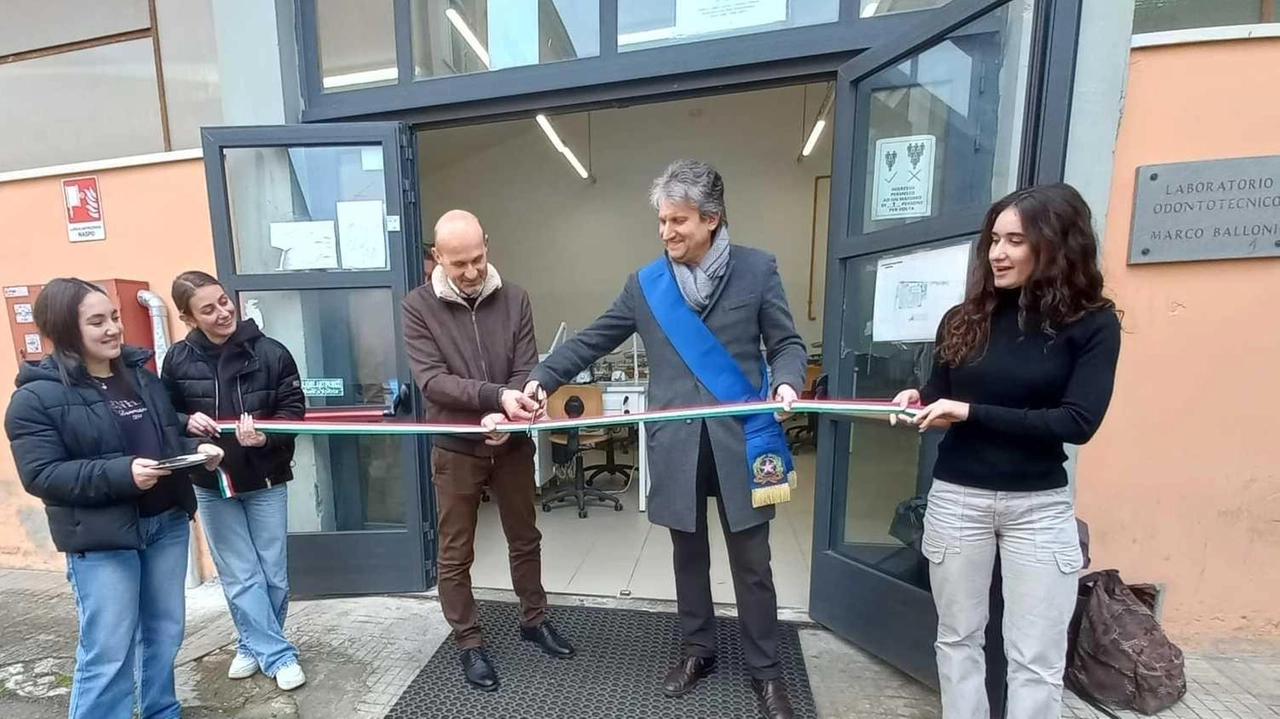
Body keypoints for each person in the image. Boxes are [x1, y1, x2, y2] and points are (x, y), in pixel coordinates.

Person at [515, 159, 807, 719]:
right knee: (686, 557)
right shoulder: (645, 285)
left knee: (753, 562)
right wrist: (539, 377)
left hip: (742, 440)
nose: (667, 232)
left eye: (679, 221)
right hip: (676, 444)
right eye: (662, 221)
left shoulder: (757, 270)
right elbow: (592, 339)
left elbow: (787, 342)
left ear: (713, 220)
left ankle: (767, 673)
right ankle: (698, 651)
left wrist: (790, 379)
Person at [889, 183, 1122, 718]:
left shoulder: (1093, 324)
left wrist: (968, 413)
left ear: (1056, 245)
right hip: (957, 500)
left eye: (1015, 240)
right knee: (957, 640)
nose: (997, 253)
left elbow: (1077, 422)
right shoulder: (963, 317)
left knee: (1036, 658)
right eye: (994, 239)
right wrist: (916, 401)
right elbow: (939, 392)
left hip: (1038, 509)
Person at [4, 278, 225, 719]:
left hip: (164, 524)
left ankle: (161, 711)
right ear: (65, 329)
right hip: (102, 540)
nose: (113, 329)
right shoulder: (35, 398)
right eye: (97, 321)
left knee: (164, 633)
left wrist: (197, 455)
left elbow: (164, 439)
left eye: (115, 317)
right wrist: (121, 474)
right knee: (109, 650)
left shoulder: (140, 379)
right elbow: (42, 475)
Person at [402, 209, 575, 692]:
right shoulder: (418, 307)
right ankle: (468, 642)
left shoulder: (515, 297)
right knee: (456, 552)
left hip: (512, 441)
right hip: (456, 447)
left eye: (478, 259)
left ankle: (533, 619)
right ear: (438, 258)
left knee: (526, 537)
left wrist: (516, 405)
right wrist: (494, 400)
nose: (472, 272)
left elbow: (526, 364)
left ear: (487, 246)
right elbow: (432, 382)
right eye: (459, 264)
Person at [161, 270, 308, 692]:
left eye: (224, 301)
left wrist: (266, 435)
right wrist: (189, 422)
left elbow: (293, 410)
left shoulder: (272, 352)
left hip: (265, 476)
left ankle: (251, 642)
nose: (223, 312)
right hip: (212, 481)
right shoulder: (177, 359)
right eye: (208, 309)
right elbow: (164, 417)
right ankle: (277, 654)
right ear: (189, 318)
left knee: (273, 574)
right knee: (241, 575)